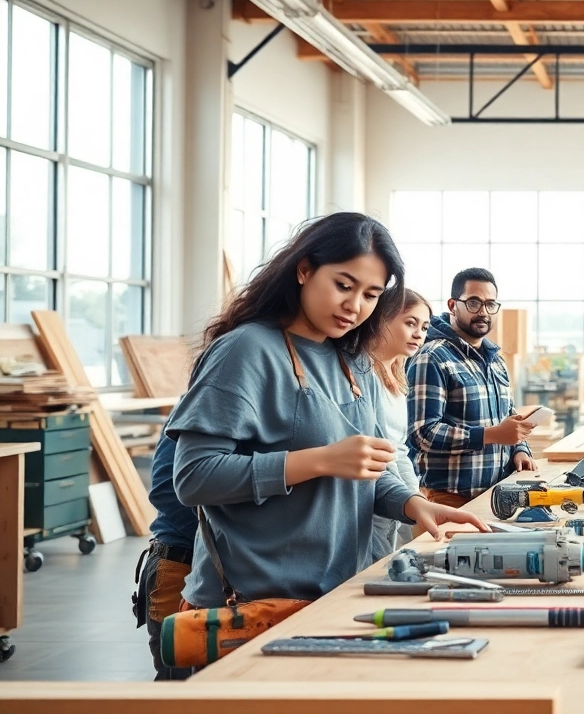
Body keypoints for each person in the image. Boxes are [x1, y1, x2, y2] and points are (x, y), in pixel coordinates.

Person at [168, 213, 488, 612]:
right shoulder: (246, 350)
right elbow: (194, 477)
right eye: (343, 285)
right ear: (304, 270)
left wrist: (411, 504)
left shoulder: (354, 361)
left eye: (371, 295)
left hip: (336, 595)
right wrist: (320, 460)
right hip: (254, 604)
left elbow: (369, 470)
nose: (354, 306)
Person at [408, 268, 536, 507]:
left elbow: (508, 416)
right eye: (474, 303)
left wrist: (520, 449)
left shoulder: (496, 360)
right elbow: (422, 434)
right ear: (453, 305)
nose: (483, 312)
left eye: (490, 304)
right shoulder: (432, 357)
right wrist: (491, 435)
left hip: (495, 495)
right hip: (449, 499)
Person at [370, 289, 433, 560]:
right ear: (381, 319)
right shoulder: (363, 374)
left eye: (424, 327)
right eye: (410, 323)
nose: (419, 334)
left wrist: (416, 499)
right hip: (373, 501)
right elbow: (381, 451)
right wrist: (409, 501)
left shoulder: (397, 378)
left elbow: (399, 449)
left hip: (394, 499)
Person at [133, 431, 195, 680]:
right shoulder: (191, 413)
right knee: (177, 678)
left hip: (197, 562)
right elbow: (165, 492)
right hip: (179, 563)